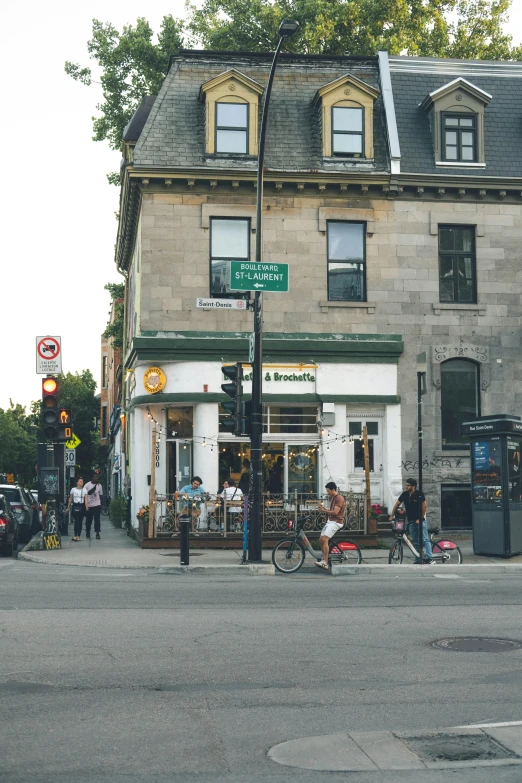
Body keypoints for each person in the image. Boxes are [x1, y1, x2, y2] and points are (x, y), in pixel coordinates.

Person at [389, 478, 435, 564]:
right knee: (415, 541)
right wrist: (392, 515)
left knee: (424, 539)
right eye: (406, 485)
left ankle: (429, 557)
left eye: (408, 485)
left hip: (421, 520)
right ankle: (418, 559)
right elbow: (397, 504)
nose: (406, 486)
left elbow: (424, 506)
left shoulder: (419, 494)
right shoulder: (405, 494)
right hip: (411, 521)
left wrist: (420, 519)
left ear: (413, 486)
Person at [316, 482, 346, 570]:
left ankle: (325, 562)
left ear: (333, 489)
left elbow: (336, 512)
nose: (327, 492)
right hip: (331, 521)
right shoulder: (333, 498)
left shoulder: (339, 498)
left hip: (336, 522)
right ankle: (324, 559)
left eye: (328, 491)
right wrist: (324, 509)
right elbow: (332, 511)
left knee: (325, 539)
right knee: (320, 540)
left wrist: (324, 511)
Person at [84, 472, 103, 540]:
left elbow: (100, 495)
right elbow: (84, 495)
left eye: (97, 477)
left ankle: (97, 533)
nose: (96, 478)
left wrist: (101, 504)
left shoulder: (99, 485)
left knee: (97, 520)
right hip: (89, 505)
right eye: (95, 477)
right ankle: (87, 532)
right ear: (92, 478)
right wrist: (85, 505)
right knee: (88, 520)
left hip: (97, 505)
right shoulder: (87, 485)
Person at [67, 477, 86, 541]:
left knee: (80, 521)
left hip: (81, 505)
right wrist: (68, 507)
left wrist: (87, 507)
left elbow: (86, 499)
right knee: (76, 521)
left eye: (82, 481)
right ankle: (75, 535)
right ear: (77, 482)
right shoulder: (73, 489)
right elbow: (70, 499)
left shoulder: (84, 490)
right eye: (80, 481)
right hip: (75, 505)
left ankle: (79, 535)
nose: (81, 483)